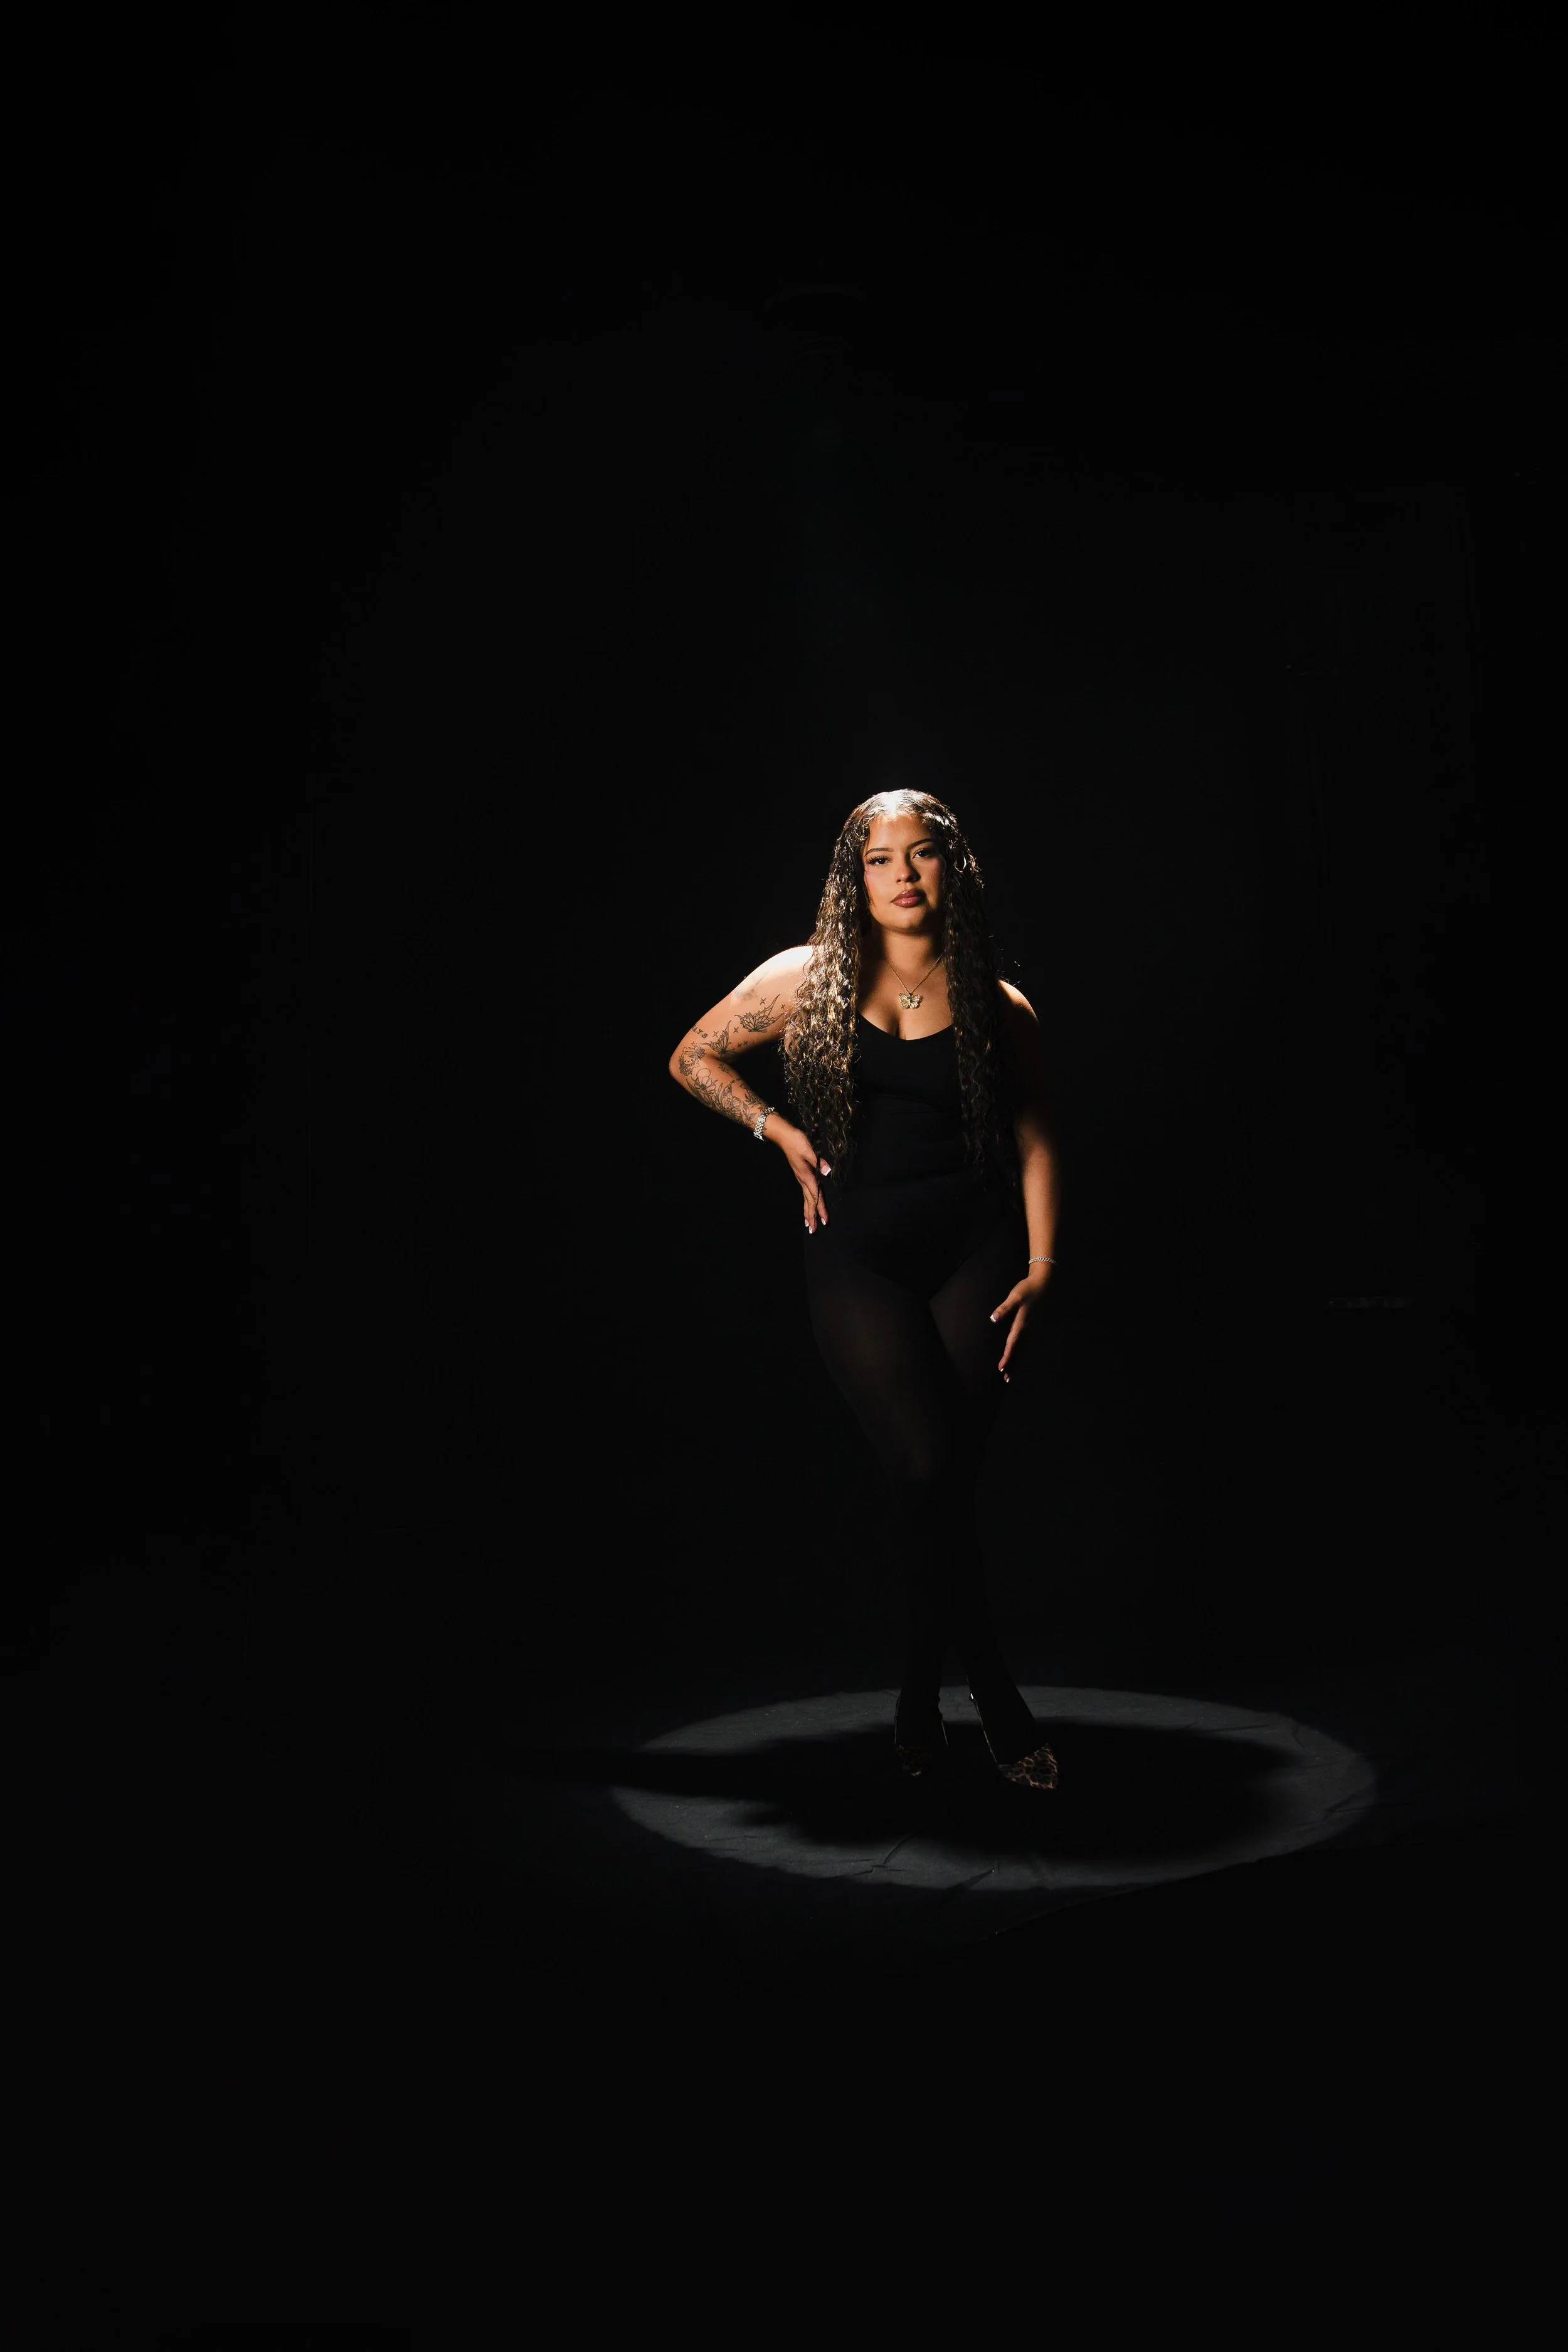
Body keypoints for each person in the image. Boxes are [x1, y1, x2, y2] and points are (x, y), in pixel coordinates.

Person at [667, 788, 1061, 1788]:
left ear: (949, 869)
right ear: (856, 876)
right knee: (928, 1473)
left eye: (921, 856)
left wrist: (1044, 1266)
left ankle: (918, 1693)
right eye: (881, 860)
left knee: (948, 1487)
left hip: (977, 1253)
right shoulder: (807, 978)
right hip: (859, 1261)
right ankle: (997, 1699)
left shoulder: (993, 998)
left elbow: (1035, 1136)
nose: (902, 875)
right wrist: (779, 1130)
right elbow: (692, 1054)